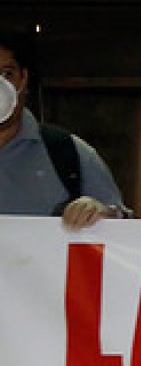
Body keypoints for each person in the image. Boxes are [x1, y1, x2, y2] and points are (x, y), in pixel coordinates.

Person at [0, 26, 128, 229]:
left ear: (24, 79)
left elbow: (125, 233)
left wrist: (103, 213)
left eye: (7, 74)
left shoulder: (68, 154)